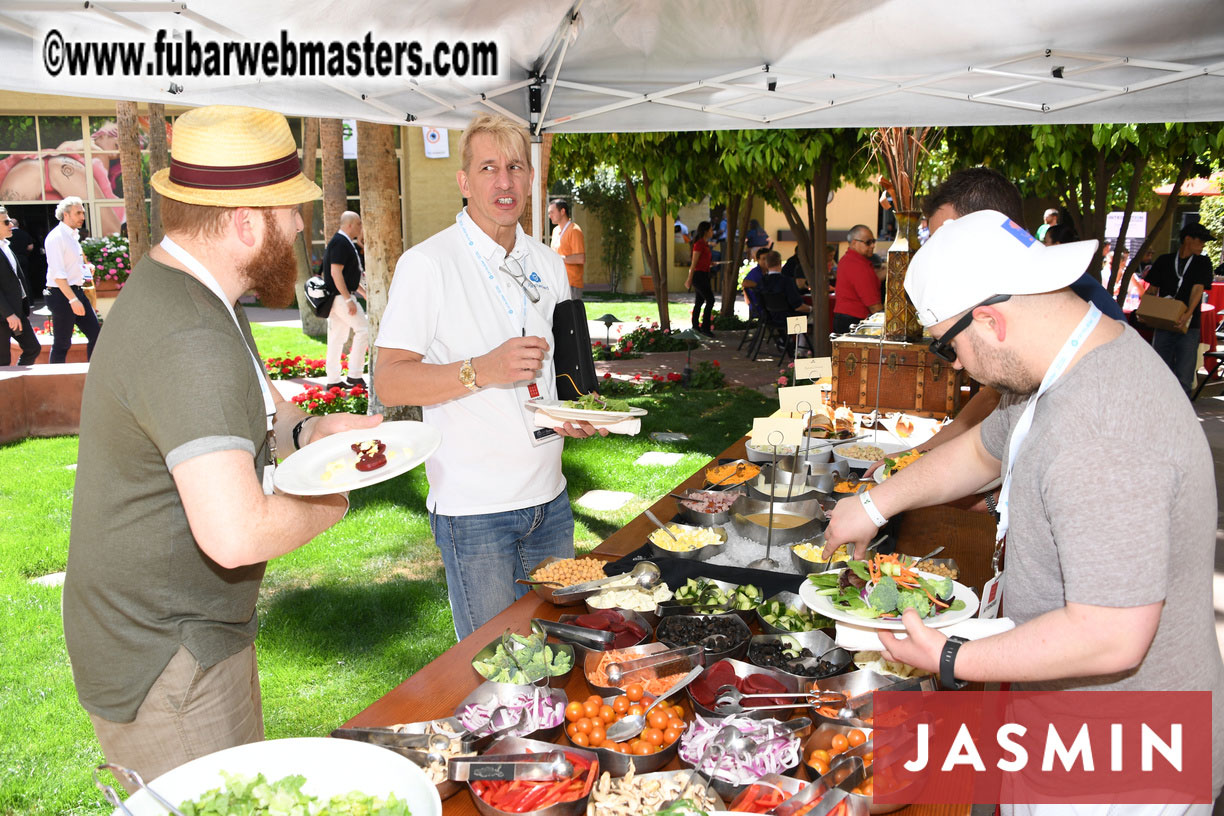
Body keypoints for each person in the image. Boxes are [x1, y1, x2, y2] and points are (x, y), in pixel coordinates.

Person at [824, 210, 1224, 811]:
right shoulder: (1080, 365)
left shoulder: (1100, 429)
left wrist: (950, 657)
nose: (953, 364)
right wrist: (873, 504)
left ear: (990, 319)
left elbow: (1112, 636)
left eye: (946, 344)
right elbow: (989, 447)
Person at [61, 105, 381, 790]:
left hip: (176, 636)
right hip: (167, 660)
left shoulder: (205, 297)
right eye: (290, 212)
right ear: (245, 222)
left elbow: (262, 409)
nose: (300, 228)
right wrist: (339, 492)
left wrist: (313, 433)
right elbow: (235, 535)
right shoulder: (189, 335)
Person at [373, 113, 605, 641]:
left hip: (551, 502)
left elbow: (557, 374)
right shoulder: (428, 264)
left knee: (555, 656)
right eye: (488, 167)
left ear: (531, 179)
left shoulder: (547, 262)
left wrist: (575, 413)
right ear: (464, 181)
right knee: (497, 675)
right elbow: (389, 381)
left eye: (515, 167)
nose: (504, 182)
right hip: (475, 515)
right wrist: (483, 370)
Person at [1145, 221, 1215, 395]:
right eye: (1200, 240)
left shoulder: (1203, 262)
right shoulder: (1164, 260)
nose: (1203, 245)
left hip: (1189, 325)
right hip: (1164, 322)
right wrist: (1144, 310)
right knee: (1160, 368)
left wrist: (1187, 314)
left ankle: (1182, 412)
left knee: (1184, 373)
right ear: (1188, 239)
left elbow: (1197, 290)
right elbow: (1152, 289)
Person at [43, 196, 101, 363]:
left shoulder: (73, 235)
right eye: (78, 213)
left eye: (82, 212)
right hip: (61, 295)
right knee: (62, 343)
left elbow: (70, 265)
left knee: (96, 335)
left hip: (75, 292)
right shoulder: (56, 237)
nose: (83, 217)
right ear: (66, 215)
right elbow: (58, 275)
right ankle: (54, 382)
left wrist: (85, 269)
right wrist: (73, 300)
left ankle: (92, 375)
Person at [323, 210, 368, 390]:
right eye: (358, 224)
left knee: (337, 337)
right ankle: (355, 375)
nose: (360, 227)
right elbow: (336, 273)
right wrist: (349, 300)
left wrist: (363, 292)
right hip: (341, 297)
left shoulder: (344, 242)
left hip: (339, 297)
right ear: (349, 225)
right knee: (364, 329)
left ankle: (333, 379)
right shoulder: (341, 242)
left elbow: (349, 274)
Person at [0, 206, 39, 366]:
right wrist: (9, 314)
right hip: (4, 315)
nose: (11, 225)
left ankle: (17, 382)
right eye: (6, 222)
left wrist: (22, 308)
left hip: (17, 312)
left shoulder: (5, 246)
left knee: (32, 348)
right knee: (2, 360)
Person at [831, 224, 882, 334]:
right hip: (854, 321)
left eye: (873, 241)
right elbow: (873, 304)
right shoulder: (857, 265)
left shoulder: (848, 260)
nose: (872, 245)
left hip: (847, 319)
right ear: (854, 243)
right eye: (868, 242)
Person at [548, 198, 585, 301]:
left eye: (552, 212)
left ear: (562, 211)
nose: (549, 216)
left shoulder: (574, 230)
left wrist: (558, 258)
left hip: (571, 284)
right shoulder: (555, 231)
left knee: (571, 316)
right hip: (557, 283)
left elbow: (580, 258)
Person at [686, 220, 716, 337]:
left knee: (700, 301)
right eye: (711, 230)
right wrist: (689, 278)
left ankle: (695, 326)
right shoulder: (699, 244)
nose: (712, 232)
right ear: (706, 231)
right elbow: (694, 263)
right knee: (710, 300)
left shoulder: (705, 244)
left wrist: (710, 263)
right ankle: (705, 327)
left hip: (704, 274)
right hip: (699, 276)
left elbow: (702, 260)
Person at [740, 246, 770, 314]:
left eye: (768, 259)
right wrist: (759, 285)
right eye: (763, 259)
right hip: (760, 307)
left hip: (767, 304)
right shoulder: (755, 272)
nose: (766, 261)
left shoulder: (769, 271)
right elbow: (744, 283)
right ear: (758, 260)